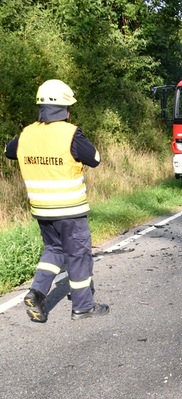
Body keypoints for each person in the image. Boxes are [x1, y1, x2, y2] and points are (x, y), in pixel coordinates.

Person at [4, 79, 110, 322]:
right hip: (69, 209)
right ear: (64, 109)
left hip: (42, 209)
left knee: (54, 250)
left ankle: (37, 293)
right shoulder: (70, 133)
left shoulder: (26, 134)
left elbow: (9, 151)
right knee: (78, 256)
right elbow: (94, 158)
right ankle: (83, 306)